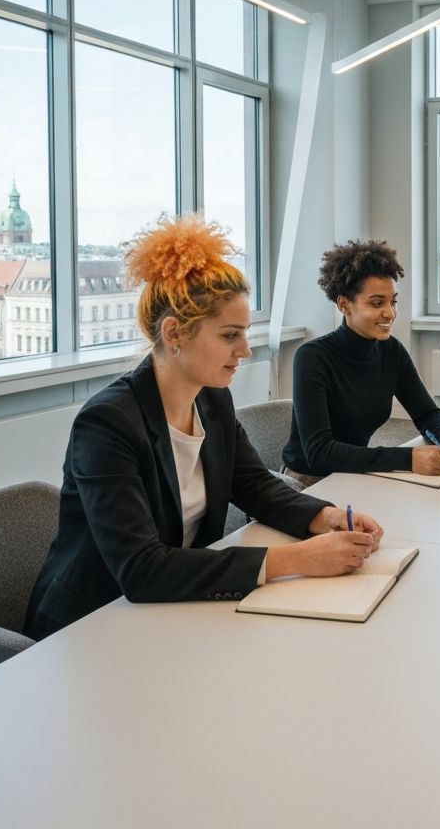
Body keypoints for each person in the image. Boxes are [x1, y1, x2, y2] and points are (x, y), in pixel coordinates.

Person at [25, 215, 384, 640]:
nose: (245, 350)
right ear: (174, 332)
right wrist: (298, 559)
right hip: (91, 625)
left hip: (173, 610)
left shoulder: (211, 399)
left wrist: (325, 518)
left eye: (245, 333)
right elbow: (141, 570)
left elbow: (254, 485)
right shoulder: (106, 424)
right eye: (230, 335)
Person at [282, 239, 440, 484]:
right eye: (376, 303)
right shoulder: (313, 357)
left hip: (356, 470)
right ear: (344, 305)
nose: (390, 313)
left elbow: (426, 413)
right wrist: (408, 459)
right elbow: (320, 453)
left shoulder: (390, 350)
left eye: (393, 301)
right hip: (310, 480)